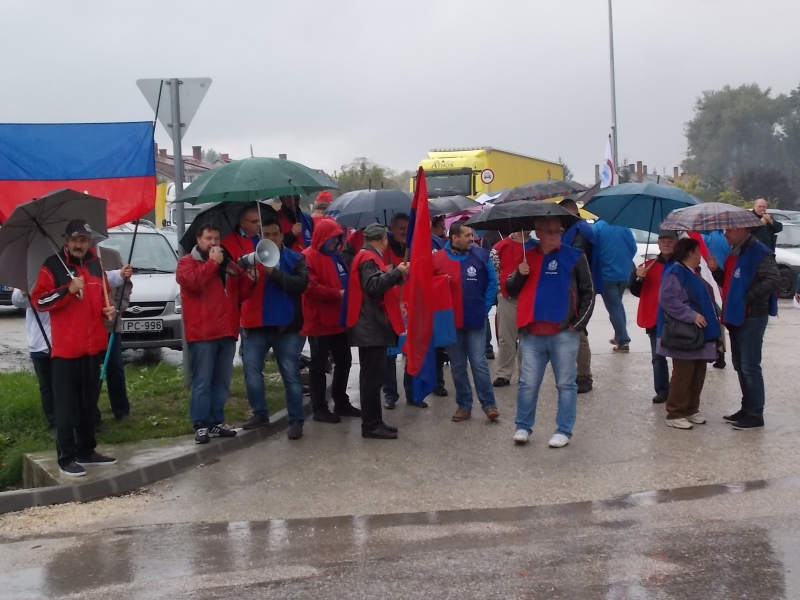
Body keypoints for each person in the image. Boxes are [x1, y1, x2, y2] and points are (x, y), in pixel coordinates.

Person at [31, 219, 117, 477]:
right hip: (66, 349)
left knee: (88, 404)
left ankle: (86, 451)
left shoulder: (96, 264)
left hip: (93, 346)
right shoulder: (52, 266)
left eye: (84, 240)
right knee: (66, 407)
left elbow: (103, 297)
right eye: (75, 240)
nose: (80, 244)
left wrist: (108, 310)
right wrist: (66, 291)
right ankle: (66, 457)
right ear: (66, 241)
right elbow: (39, 301)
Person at [506, 216, 595, 448]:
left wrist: (578, 324)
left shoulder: (575, 256)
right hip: (532, 334)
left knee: (565, 384)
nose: (556, 235)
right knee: (528, 384)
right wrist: (519, 274)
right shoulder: (526, 257)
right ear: (538, 233)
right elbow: (510, 289)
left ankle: (564, 430)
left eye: (558, 231)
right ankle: (523, 426)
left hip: (563, 333)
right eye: (550, 231)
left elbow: (588, 291)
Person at [176, 224, 253, 444]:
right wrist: (212, 264)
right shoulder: (186, 263)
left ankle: (216, 421)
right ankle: (201, 424)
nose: (213, 243)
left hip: (226, 330)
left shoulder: (226, 263)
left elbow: (241, 294)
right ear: (198, 240)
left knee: (221, 381)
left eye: (216, 238)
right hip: (203, 333)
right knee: (203, 381)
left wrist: (250, 278)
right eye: (208, 238)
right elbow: (193, 283)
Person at [240, 220, 309, 440]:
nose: (271, 238)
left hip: (285, 326)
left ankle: (296, 420)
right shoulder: (250, 257)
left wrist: (274, 273)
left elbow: (301, 284)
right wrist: (247, 276)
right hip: (255, 325)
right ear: (260, 236)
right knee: (251, 371)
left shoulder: (295, 258)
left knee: (290, 374)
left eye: (275, 234)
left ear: (281, 235)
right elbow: (235, 284)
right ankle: (259, 413)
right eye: (266, 234)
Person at [708, 225, 781, 430]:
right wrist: (717, 271)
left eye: (729, 230)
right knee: (740, 365)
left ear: (742, 230)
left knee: (750, 366)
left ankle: (755, 413)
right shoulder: (736, 252)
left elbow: (773, 280)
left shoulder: (760, 252)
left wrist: (748, 297)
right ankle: (747, 408)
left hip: (752, 316)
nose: (725, 234)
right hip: (736, 315)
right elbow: (730, 282)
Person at [345, 224, 408, 439]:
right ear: (383, 239)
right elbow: (373, 285)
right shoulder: (368, 258)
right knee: (372, 378)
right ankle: (371, 425)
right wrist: (396, 272)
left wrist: (395, 275)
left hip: (370, 325)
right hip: (370, 325)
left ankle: (375, 421)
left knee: (372, 376)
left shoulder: (365, 256)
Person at [432, 221, 500, 422]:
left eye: (472, 235)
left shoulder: (482, 255)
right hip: (450, 322)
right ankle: (463, 405)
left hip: (475, 319)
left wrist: (483, 307)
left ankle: (489, 405)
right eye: (467, 235)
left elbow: (492, 283)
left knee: (479, 362)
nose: (472, 238)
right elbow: (427, 286)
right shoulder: (437, 259)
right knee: (457, 365)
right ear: (454, 237)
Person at [656, 237, 720, 430]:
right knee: (683, 373)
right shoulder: (675, 273)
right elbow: (668, 299)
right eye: (698, 251)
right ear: (690, 253)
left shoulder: (693, 272)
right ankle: (675, 412)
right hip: (686, 334)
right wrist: (691, 315)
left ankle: (691, 408)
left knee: (698, 372)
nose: (701, 255)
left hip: (700, 333)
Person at [301, 218, 360, 422]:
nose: (336, 242)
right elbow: (310, 286)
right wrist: (337, 294)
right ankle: (319, 407)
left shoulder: (337, 256)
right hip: (318, 321)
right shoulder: (308, 257)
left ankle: (341, 401)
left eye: (338, 238)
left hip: (338, 320)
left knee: (344, 361)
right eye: (333, 238)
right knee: (318, 365)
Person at [560, 198, 603, 394]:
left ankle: (584, 376)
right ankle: (578, 374)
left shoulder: (579, 231)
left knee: (579, 330)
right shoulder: (577, 228)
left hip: (578, 287)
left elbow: (576, 259)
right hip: (573, 286)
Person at [629, 230, 678, 404]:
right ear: (658, 243)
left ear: (676, 242)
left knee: (679, 358)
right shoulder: (648, 266)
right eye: (663, 241)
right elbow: (636, 291)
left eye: (670, 241)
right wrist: (637, 277)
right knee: (658, 357)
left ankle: (678, 391)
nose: (666, 244)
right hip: (655, 317)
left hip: (676, 318)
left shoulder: (681, 265)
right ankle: (662, 390)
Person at [489, 231, 534, 388]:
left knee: (527, 338)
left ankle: (525, 373)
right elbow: (494, 270)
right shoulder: (500, 247)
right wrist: (499, 292)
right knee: (506, 337)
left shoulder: (536, 246)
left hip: (529, 298)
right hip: (507, 297)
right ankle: (503, 373)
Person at [96, 246, 133, 425]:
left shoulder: (111, 255)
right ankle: (92, 413)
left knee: (115, 368)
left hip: (111, 325)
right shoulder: (78, 259)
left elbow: (125, 285)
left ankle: (121, 410)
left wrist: (117, 308)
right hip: (89, 328)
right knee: (90, 372)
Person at [11, 289, 54, 439]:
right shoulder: (29, 278)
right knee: (46, 385)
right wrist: (23, 293)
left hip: (63, 339)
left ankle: (74, 422)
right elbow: (17, 301)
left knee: (67, 385)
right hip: (39, 342)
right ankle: (54, 423)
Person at [381, 213, 413, 409]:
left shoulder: (412, 249)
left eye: (408, 229)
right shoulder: (383, 251)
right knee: (389, 354)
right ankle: (390, 394)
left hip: (410, 307)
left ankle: (412, 393)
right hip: (391, 306)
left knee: (411, 350)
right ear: (391, 229)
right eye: (401, 229)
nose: (405, 232)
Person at [593, 220, 637, 352]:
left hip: (606, 274)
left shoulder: (597, 227)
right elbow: (633, 247)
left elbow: (592, 250)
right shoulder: (624, 226)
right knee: (618, 305)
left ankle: (623, 340)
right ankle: (619, 336)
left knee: (614, 308)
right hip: (623, 273)